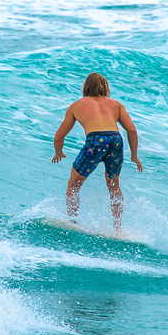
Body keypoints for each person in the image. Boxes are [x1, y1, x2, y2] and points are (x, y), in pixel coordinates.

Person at [51, 72, 142, 232]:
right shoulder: (116, 104)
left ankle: (72, 222)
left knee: (73, 184)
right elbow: (132, 130)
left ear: (85, 87)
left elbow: (59, 136)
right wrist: (134, 156)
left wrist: (58, 152)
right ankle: (117, 228)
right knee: (114, 185)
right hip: (116, 139)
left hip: (96, 141)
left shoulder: (76, 106)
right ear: (105, 87)